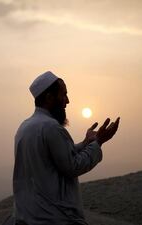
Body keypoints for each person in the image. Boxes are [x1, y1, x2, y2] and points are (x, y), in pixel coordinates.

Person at [11, 71, 120, 225]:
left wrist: (85, 143)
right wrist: (98, 143)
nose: (67, 101)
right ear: (49, 97)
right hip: (53, 218)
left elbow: (55, 157)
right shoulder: (51, 127)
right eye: (63, 95)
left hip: (28, 216)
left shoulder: (26, 126)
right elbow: (72, 166)